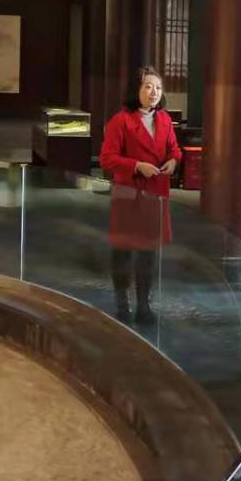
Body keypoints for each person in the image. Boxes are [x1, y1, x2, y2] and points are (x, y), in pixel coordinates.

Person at [99, 66, 182, 326]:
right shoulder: (121, 120)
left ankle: (144, 304)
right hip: (129, 194)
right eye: (148, 86)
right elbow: (106, 159)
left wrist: (173, 161)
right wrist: (136, 165)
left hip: (155, 195)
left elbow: (175, 149)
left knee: (149, 254)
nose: (154, 92)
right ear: (136, 90)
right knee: (123, 251)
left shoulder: (165, 119)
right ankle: (122, 304)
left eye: (158, 87)